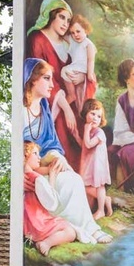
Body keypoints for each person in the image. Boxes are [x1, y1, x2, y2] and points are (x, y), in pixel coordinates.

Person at [23, 58, 112, 245]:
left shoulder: (44, 106)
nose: (51, 84)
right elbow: (19, 149)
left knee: (74, 180)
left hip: (43, 159)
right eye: (46, 78)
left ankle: (90, 228)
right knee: (65, 182)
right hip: (29, 167)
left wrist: (57, 157)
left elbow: (50, 141)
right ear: (32, 80)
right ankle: (79, 228)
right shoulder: (21, 110)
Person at [26, 0, 82, 171]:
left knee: (81, 130)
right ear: (51, 15)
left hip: (69, 100)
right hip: (49, 101)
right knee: (62, 131)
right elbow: (39, 75)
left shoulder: (67, 44)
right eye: (61, 17)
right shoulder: (37, 39)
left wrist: (80, 78)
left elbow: (76, 69)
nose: (66, 23)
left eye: (68, 19)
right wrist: (65, 109)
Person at [23, 142, 77, 257]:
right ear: (25, 156)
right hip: (38, 222)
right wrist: (52, 175)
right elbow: (52, 203)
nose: (39, 157)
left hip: (27, 224)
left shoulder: (24, 178)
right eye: (35, 154)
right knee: (70, 232)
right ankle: (45, 243)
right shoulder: (37, 178)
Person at [111, 58, 134, 193]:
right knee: (120, 152)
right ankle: (122, 192)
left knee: (133, 154)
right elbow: (121, 130)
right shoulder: (122, 100)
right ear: (126, 79)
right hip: (133, 141)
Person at [79, 99, 113, 220]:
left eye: (98, 116)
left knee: (99, 186)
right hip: (89, 163)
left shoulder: (99, 132)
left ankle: (100, 211)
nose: (95, 118)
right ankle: (105, 200)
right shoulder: (90, 130)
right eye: (92, 114)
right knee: (84, 185)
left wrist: (86, 130)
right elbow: (84, 144)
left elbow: (88, 145)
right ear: (86, 113)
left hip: (98, 165)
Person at [61, 14, 97, 109]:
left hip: (83, 69)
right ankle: (71, 95)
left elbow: (90, 60)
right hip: (75, 68)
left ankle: (72, 96)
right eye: (72, 32)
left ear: (85, 30)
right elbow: (61, 34)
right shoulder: (72, 40)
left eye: (78, 31)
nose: (75, 35)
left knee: (84, 101)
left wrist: (89, 74)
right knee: (65, 71)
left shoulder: (88, 44)